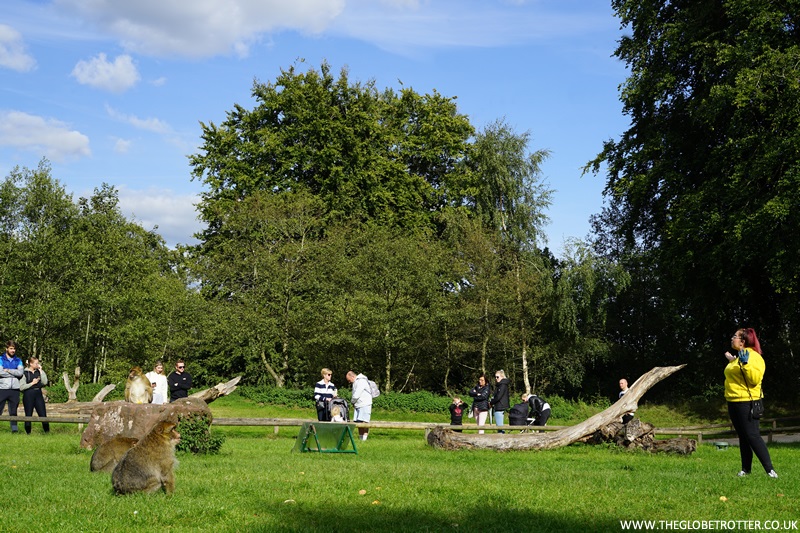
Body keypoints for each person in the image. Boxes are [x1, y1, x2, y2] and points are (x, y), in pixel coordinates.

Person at [724, 327, 778, 478]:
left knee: (752, 435)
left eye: (735, 336)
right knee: (743, 436)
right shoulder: (739, 356)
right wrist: (734, 361)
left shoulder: (754, 357)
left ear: (743, 341)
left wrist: (745, 363)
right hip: (733, 401)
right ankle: (745, 470)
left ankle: (770, 471)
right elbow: (739, 374)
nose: (732, 338)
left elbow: (754, 380)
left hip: (747, 402)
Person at [19, 356, 50, 434]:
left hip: (38, 394)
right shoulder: (24, 373)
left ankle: (47, 432)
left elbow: (45, 382)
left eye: (38, 363)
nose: (37, 365)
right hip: (28, 394)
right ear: (31, 364)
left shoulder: (39, 372)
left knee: (43, 413)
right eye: (36, 363)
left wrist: (41, 371)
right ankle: (28, 433)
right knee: (28, 414)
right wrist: (32, 383)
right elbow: (21, 387)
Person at [0, 341, 24, 433]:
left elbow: (20, 373)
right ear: (6, 349)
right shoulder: (1, 359)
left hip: (15, 389)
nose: (13, 350)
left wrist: (9, 370)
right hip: (2, 388)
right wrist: (14, 373)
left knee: (13, 410)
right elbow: (0, 372)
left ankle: (14, 429)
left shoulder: (18, 360)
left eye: (14, 348)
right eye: (11, 348)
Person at [346, 370, 373, 441]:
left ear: (352, 376)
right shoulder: (355, 382)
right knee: (359, 422)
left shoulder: (361, 381)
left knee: (365, 422)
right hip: (358, 404)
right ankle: (361, 438)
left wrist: (352, 401)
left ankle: (364, 439)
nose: (349, 382)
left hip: (365, 404)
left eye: (349, 380)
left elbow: (357, 394)